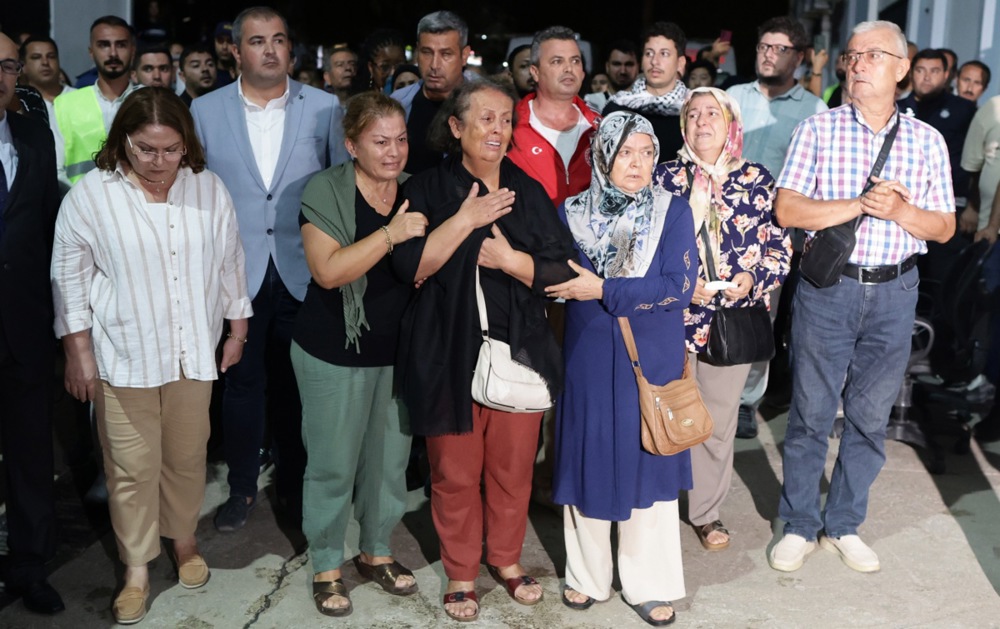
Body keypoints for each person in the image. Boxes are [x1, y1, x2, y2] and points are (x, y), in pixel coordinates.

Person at [51, 87, 252, 624]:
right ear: (122, 143)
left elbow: (231, 259)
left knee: (188, 456)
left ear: (187, 145)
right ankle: (136, 566)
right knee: (130, 468)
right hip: (125, 355)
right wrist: (78, 352)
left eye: (171, 150)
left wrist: (237, 329)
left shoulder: (208, 189)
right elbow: (68, 281)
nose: (160, 163)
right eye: (146, 150)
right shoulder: (90, 196)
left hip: (193, 355)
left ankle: (184, 540)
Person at [771, 20, 955, 574]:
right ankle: (799, 524)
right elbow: (788, 211)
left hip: (897, 290)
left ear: (901, 68)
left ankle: (844, 524)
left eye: (871, 55)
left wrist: (901, 212)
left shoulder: (927, 140)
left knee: (870, 418)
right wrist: (859, 204)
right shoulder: (818, 131)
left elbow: (943, 227)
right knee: (809, 413)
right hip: (830, 288)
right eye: (852, 56)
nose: (856, 64)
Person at [392, 79, 577, 622]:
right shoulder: (426, 189)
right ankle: (461, 572)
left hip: (518, 352)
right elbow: (410, 268)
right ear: (456, 127)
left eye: (505, 120)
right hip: (446, 352)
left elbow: (559, 270)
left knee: (513, 470)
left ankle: (506, 559)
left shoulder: (526, 190)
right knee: (453, 472)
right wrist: (466, 221)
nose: (498, 130)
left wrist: (511, 261)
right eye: (485, 120)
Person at [191, 5, 350, 533]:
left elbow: (339, 188)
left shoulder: (325, 107)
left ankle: (294, 489)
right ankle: (240, 488)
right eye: (257, 41)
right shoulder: (205, 111)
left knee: (299, 385)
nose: (270, 50)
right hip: (235, 274)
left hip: (305, 268)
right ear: (235, 50)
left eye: (279, 39)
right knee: (241, 384)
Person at [548, 111, 698, 627]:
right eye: (626, 152)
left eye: (647, 152)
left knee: (647, 460)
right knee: (590, 454)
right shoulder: (569, 213)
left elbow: (679, 286)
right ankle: (587, 575)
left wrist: (604, 289)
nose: (637, 163)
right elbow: (553, 280)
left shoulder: (672, 211)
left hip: (650, 358)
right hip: (587, 355)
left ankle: (649, 583)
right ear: (603, 154)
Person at [292, 91, 427, 617]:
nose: (393, 152)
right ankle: (326, 563)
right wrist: (391, 235)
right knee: (331, 465)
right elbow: (328, 271)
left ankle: (376, 551)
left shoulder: (418, 192)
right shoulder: (325, 190)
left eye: (400, 139)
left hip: (398, 351)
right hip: (333, 350)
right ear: (351, 144)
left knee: (389, 465)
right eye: (380, 141)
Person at [656, 87, 791, 551]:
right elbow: (643, 247)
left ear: (731, 122)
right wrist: (676, 285)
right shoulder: (664, 178)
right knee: (664, 411)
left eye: (713, 113)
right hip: (670, 316)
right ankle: (652, 505)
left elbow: (779, 248)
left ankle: (705, 512)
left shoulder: (756, 178)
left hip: (728, 318)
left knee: (714, 422)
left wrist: (753, 278)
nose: (702, 122)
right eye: (693, 114)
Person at [726, 15, 827, 439]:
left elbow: (819, 179)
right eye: (763, 46)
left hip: (771, 235)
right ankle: (706, 394)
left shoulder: (814, 111)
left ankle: (746, 401)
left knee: (758, 319)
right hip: (717, 226)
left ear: (799, 57)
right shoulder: (731, 97)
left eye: (779, 48)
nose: (768, 54)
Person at [0, 33, 65, 616]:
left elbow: (52, 219)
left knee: (28, 455)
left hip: (24, 324)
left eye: (4, 66)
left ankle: (30, 566)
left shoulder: (32, 132)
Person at [898, 49, 977, 288]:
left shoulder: (964, 109)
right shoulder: (895, 108)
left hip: (949, 210)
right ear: (911, 73)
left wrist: (972, 207)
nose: (926, 77)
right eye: (920, 70)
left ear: (946, 75)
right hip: (904, 211)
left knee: (944, 283)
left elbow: (976, 161)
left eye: (934, 71)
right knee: (906, 280)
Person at [507, 25, 599, 208]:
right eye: (557, 61)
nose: (568, 69)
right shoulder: (509, 125)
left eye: (575, 61)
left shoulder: (601, 127)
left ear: (583, 72)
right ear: (535, 72)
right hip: (529, 236)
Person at [53, 15, 140, 186]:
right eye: (104, 45)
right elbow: (56, 170)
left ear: (133, 50)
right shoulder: (65, 104)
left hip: (139, 206)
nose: (113, 53)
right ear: (91, 52)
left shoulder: (150, 101)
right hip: (80, 205)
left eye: (121, 45)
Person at [392, 11, 471, 174]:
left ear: (464, 55)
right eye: (427, 52)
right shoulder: (396, 104)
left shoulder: (486, 105)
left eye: (446, 54)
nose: (435, 64)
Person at [605, 22, 689, 159]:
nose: (655, 61)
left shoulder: (693, 110)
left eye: (664, 54)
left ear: (680, 63)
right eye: (649, 53)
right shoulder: (618, 108)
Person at [584, 40, 638, 113]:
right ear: (607, 67)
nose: (623, 71)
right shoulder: (591, 101)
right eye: (617, 64)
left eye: (629, 64)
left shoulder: (649, 104)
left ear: (638, 67)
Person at [354, 29, 406, 94]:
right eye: (385, 67)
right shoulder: (361, 102)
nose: (393, 72)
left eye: (400, 66)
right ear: (371, 68)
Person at [212, 21, 236, 87]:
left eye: (230, 41)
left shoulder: (243, 74)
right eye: (220, 40)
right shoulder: (209, 74)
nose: (224, 47)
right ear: (214, 42)